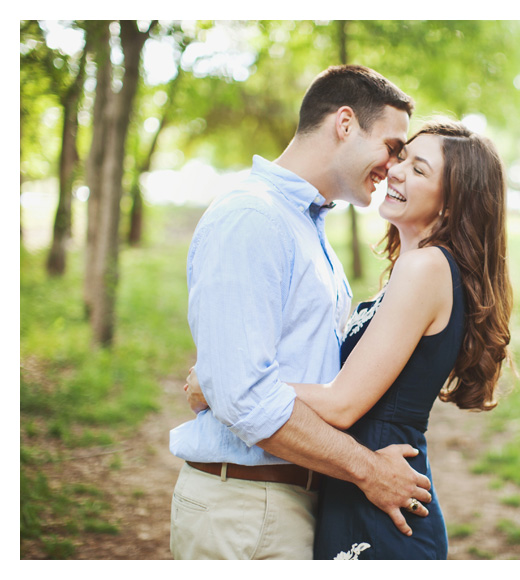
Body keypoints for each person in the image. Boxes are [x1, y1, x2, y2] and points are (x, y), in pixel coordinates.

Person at [186, 118, 514, 559]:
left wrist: (219, 383)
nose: (395, 170)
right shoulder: (417, 269)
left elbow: (341, 402)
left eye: (419, 170)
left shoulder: (427, 269)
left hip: (382, 505)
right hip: (358, 491)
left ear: (452, 205)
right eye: (401, 157)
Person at [169, 64, 434, 560]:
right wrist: (369, 470)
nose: (394, 167)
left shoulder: (304, 225)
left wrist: (218, 382)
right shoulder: (253, 218)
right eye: (393, 147)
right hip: (246, 508)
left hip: (291, 501)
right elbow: (245, 397)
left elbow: (270, 375)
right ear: (346, 123)